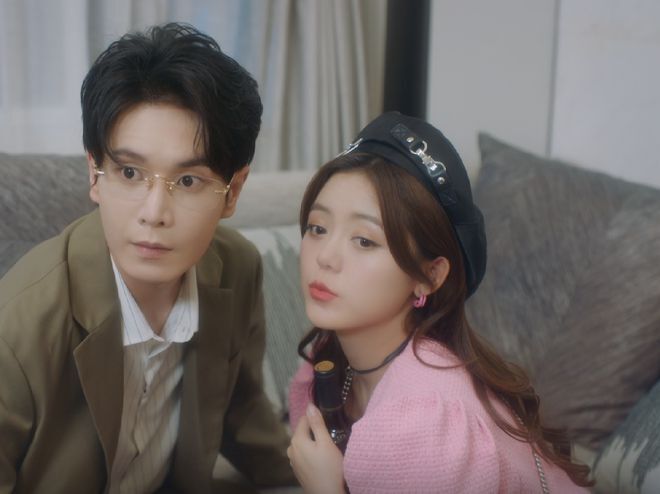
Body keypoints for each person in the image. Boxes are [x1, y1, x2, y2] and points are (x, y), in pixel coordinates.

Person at [0, 23, 296, 493]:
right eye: (130, 173)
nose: (154, 213)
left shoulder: (237, 268)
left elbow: (245, 414)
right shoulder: (17, 327)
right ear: (94, 175)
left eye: (188, 181)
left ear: (233, 191)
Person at [286, 112, 593, 493]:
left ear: (429, 277)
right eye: (318, 228)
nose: (325, 257)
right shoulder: (329, 360)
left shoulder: (424, 421)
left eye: (364, 240)